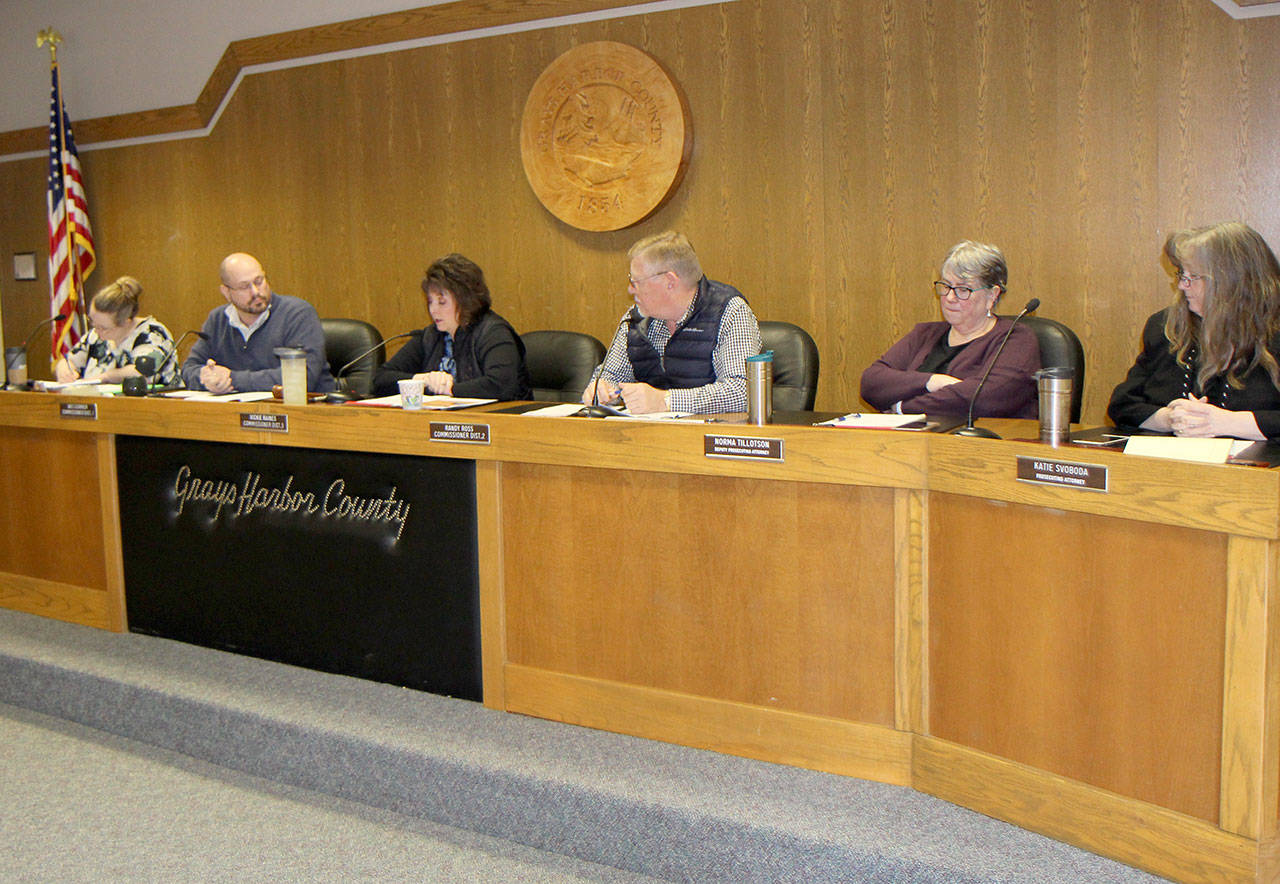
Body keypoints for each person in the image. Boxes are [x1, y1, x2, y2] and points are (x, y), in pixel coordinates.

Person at [1108, 222, 1280, 441]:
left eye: (1194, 277)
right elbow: (1123, 405)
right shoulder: (1166, 326)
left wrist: (1225, 423)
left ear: (1234, 280)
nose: (1182, 285)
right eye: (1182, 274)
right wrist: (1171, 419)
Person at [582, 230, 762, 414]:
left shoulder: (729, 311)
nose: (630, 290)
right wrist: (602, 390)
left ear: (669, 281)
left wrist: (666, 401)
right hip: (647, 436)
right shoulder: (636, 318)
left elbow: (743, 392)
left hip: (710, 436)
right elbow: (611, 375)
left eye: (635, 281)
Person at [859, 241, 1040, 418]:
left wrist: (902, 408)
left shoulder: (1016, 338)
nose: (950, 297)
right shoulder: (924, 334)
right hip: (914, 441)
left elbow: (984, 398)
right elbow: (871, 382)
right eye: (946, 286)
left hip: (980, 443)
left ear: (992, 295)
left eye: (963, 289)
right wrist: (932, 381)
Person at [372, 253, 531, 400]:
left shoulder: (493, 333)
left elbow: (501, 386)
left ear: (466, 300)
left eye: (442, 302)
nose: (433, 310)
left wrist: (449, 389)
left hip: (498, 425)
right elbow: (380, 379)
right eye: (430, 302)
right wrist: (422, 379)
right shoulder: (431, 336)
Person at [180, 253, 335, 393]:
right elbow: (188, 369)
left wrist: (233, 379)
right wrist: (207, 378)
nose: (255, 292)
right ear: (226, 292)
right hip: (239, 416)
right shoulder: (217, 320)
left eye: (259, 281)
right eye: (244, 286)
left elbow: (301, 377)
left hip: (306, 415)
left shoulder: (297, 314)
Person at [54, 276, 177, 386]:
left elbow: (144, 373)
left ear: (126, 321)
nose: (96, 331)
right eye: (92, 322)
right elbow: (70, 360)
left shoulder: (152, 333)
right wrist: (64, 368)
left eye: (103, 328)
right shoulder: (95, 335)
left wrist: (107, 376)